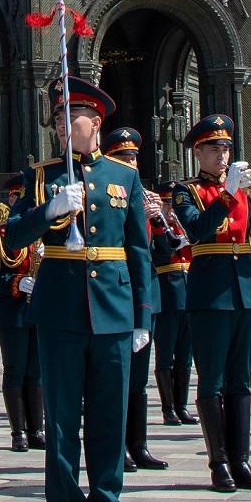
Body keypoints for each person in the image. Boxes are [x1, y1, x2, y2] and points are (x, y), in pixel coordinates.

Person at [0, 80, 152, 502]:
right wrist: (50, 209)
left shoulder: (123, 176)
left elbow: (139, 251)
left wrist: (142, 315)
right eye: (59, 121)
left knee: (110, 420)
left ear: (96, 123)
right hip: (61, 311)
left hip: (113, 310)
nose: (63, 130)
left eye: (72, 120)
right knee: (63, 423)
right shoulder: (40, 176)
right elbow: (14, 236)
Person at [179, 112, 251, 493]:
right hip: (211, 292)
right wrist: (228, 195)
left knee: (241, 380)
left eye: (225, 148)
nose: (221, 156)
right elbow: (198, 229)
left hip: (247, 289)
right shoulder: (186, 190)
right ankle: (218, 462)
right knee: (213, 380)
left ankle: (242, 460)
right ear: (198, 152)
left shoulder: (244, 189)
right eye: (213, 149)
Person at [99, 126, 169, 468]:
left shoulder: (147, 198)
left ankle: (139, 444)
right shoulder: (105, 196)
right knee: (116, 379)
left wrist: (158, 220)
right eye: (124, 157)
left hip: (145, 296)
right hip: (115, 293)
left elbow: (168, 252)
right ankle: (117, 448)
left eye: (135, 157)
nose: (132, 162)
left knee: (138, 379)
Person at [0, 171, 44, 451]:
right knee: (15, 369)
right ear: (11, 199)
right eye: (19, 197)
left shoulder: (45, 231)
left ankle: (37, 429)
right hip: (12, 311)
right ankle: (17, 432)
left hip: (41, 309)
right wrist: (15, 282)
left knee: (36, 371)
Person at [154, 181, 195, 423]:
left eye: (172, 203)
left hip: (189, 295)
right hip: (167, 295)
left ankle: (182, 405)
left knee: (184, 356)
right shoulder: (155, 226)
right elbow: (156, 254)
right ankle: (168, 408)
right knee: (165, 354)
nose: (171, 208)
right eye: (166, 203)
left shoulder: (183, 225)